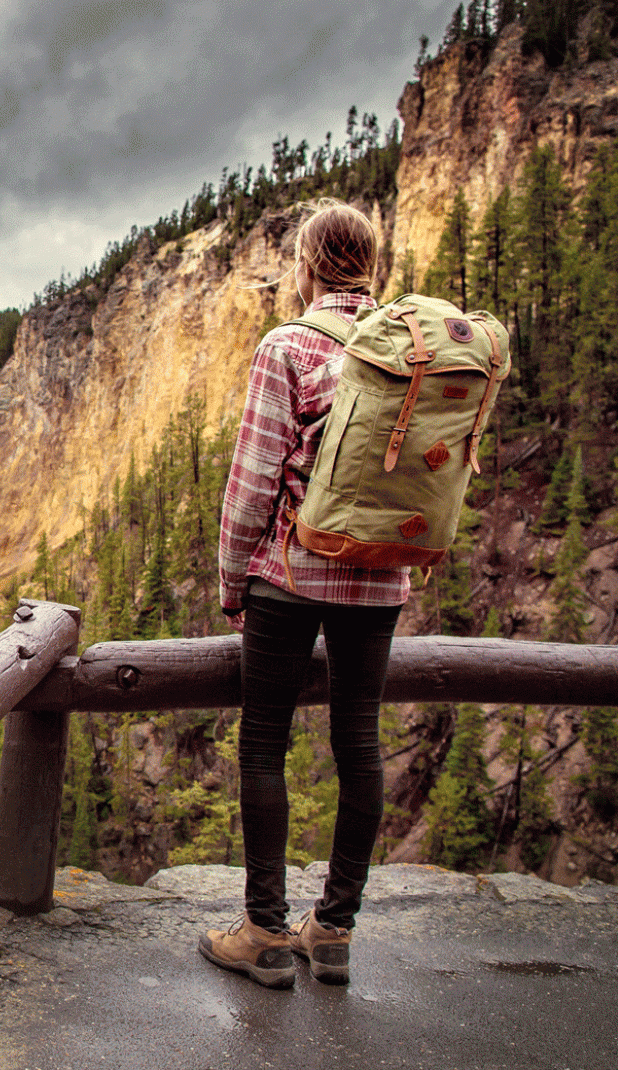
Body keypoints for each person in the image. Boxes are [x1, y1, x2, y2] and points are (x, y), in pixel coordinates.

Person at [197, 198, 405, 989]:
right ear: (371, 266)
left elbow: (252, 483)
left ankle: (264, 930)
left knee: (264, 744)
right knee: (360, 741)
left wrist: (231, 577)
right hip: (381, 574)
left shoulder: (288, 346)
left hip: (289, 574)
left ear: (309, 266)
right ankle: (336, 929)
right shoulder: (407, 350)